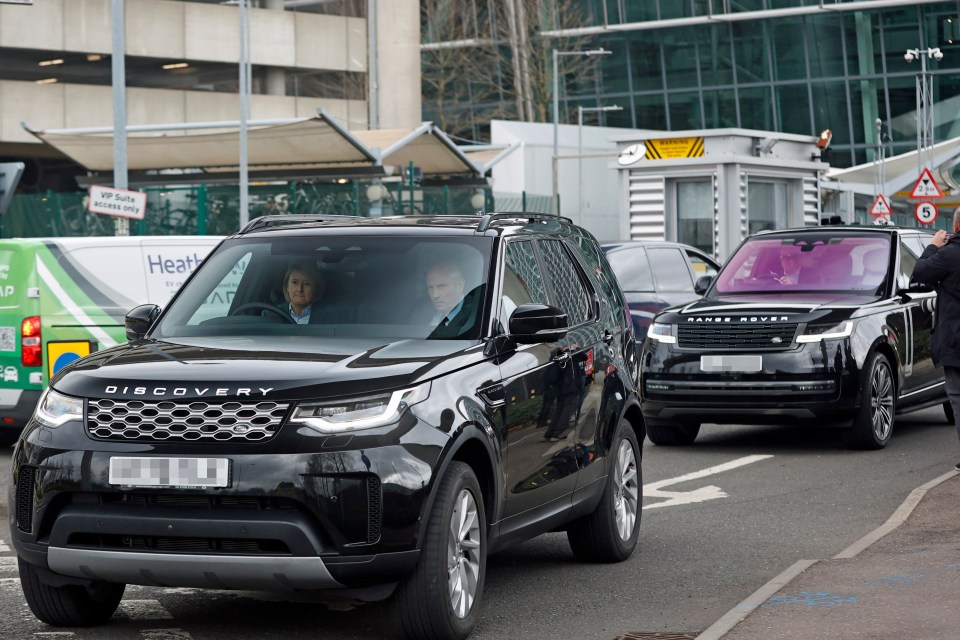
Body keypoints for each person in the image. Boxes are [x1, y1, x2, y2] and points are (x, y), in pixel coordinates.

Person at [912, 207, 960, 471]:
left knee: (958, 398)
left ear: (955, 228)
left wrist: (932, 247)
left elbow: (919, 274)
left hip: (956, 341)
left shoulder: (948, 255)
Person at [413, 261, 481, 338]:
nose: (435, 295)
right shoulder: (420, 313)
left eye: (442, 286)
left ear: (460, 286)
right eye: (430, 287)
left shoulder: (478, 316)